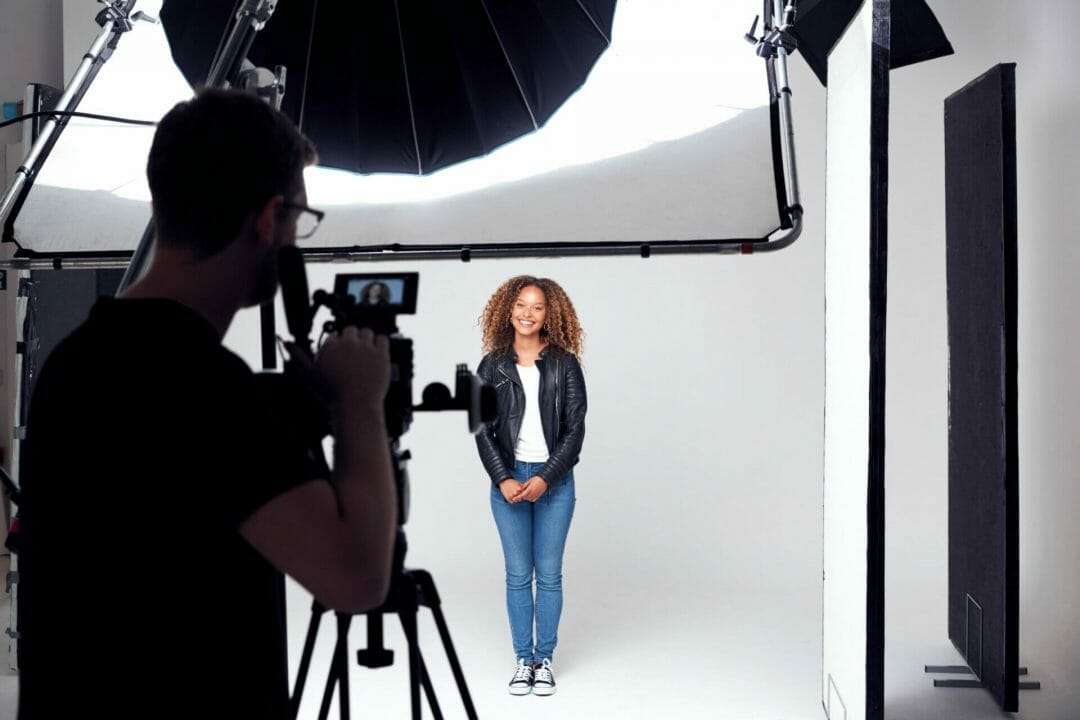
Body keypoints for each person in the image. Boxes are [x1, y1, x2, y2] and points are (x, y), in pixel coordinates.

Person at [16, 88, 397, 719]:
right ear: (268, 218)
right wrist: (361, 402)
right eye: (300, 218)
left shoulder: (77, 360)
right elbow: (356, 578)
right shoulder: (202, 384)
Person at [474, 275, 586, 697]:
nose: (527, 313)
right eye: (521, 304)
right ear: (508, 309)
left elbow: (575, 431)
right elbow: (480, 429)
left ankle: (546, 661)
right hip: (508, 480)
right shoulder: (490, 365)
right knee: (518, 576)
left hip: (554, 480)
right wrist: (504, 477)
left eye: (537, 307)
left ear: (549, 314)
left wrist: (544, 477)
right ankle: (524, 660)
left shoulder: (565, 363)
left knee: (550, 575)